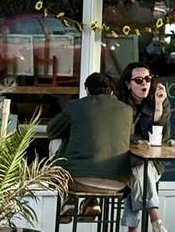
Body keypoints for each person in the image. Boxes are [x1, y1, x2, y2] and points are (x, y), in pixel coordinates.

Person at [46, 72, 132, 220]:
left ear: (86, 90)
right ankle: (91, 202)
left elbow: (51, 131)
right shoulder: (127, 110)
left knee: (57, 142)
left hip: (78, 181)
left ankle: (69, 199)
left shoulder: (76, 106)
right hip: (118, 183)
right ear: (111, 92)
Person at [118, 61, 172, 232]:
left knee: (142, 171)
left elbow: (163, 137)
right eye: (139, 80)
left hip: (153, 162)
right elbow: (123, 136)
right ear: (128, 84)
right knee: (139, 169)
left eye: (148, 79)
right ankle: (155, 219)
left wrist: (158, 106)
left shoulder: (161, 101)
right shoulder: (121, 104)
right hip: (125, 162)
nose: (145, 83)